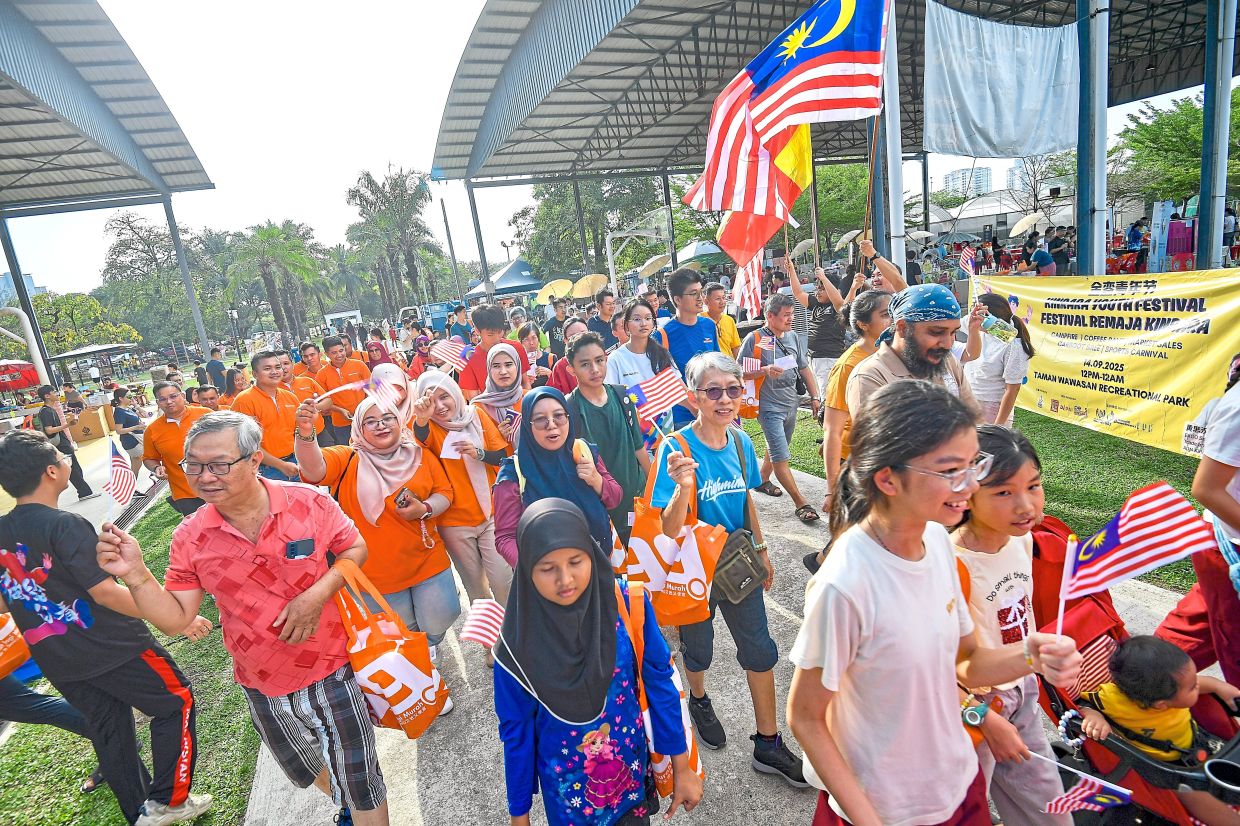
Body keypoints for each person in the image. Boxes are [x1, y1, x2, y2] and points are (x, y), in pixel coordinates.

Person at [786, 380, 1082, 826]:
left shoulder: (936, 543)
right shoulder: (845, 585)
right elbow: (806, 717)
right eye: (949, 471)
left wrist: (1029, 654)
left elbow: (965, 663)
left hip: (956, 787)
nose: (968, 487)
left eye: (972, 466)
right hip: (886, 808)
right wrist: (867, 818)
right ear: (887, 478)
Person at [99, 412, 390, 826]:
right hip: (260, 681)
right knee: (303, 767)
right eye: (193, 465)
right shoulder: (190, 536)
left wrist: (317, 593)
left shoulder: (310, 502)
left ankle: (356, 807)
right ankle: (345, 802)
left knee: (362, 781)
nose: (203, 476)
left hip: (332, 667)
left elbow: (354, 549)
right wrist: (137, 575)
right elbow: (176, 618)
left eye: (219, 464)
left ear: (255, 461)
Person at [0, 430, 212, 826]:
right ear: (51, 471)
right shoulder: (64, 524)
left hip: (58, 659)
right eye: (63, 456)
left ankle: (141, 814)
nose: (68, 461)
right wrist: (172, 616)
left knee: (110, 732)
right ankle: (167, 801)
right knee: (176, 701)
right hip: (116, 647)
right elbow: (107, 594)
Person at [494, 498, 702, 826]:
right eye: (547, 568)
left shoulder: (627, 604)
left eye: (576, 561)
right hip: (567, 799)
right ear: (526, 570)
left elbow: (660, 683)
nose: (565, 579)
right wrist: (519, 814)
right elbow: (515, 732)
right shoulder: (514, 648)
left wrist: (682, 766)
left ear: (591, 553)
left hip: (630, 782)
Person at [648, 352, 804, 781]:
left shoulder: (740, 442)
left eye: (733, 389)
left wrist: (762, 546)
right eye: (712, 391)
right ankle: (698, 697)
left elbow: (745, 500)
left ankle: (768, 743)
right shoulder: (675, 448)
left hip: (738, 567)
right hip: (694, 571)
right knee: (699, 649)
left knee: (759, 650)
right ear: (693, 396)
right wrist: (683, 487)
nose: (724, 399)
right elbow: (667, 526)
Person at [951, 426, 1071, 826]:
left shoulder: (1020, 540)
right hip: (971, 709)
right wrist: (982, 718)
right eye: (1003, 492)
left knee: (1049, 806)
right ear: (966, 491)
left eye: (1034, 486)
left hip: (1023, 691)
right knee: (968, 811)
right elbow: (930, 666)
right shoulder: (949, 564)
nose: (1026, 505)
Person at [295, 398, 461, 678]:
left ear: (399, 421)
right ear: (359, 427)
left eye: (387, 418)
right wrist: (305, 432)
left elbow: (444, 492)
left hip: (426, 557)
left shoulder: (419, 453)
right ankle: (420, 664)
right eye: (370, 421)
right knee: (401, 627)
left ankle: (430, 644)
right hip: (375, 570)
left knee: (443, 614)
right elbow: (314, 470)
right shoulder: (347, 458)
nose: (381, 425)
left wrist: (425, 509)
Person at [1079, 636, 1240, 826]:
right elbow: (1084, 703)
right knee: (1194, 797)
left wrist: (1217, 686)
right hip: (1169, 769)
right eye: (1193, 687)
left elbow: (1199, 683)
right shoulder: (1111, 700)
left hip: (1200, 742)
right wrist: (1092, 716)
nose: (1198, 684)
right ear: (1161, 705)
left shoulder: (1174, 689)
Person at [411, 372, 512, 608]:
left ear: (455, 393)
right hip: (453, 522)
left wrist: (479, 453)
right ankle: (490, 640)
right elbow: (419, 439)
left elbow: (502, 455)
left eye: (444, 396)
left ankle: (512, 634)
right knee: (475, 586)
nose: (440, 406)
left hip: (491, 514)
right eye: (431, 400)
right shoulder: (428, 426)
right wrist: (422, 420)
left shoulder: (475, 415)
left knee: (502, 579)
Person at [493, 387, 622, 567]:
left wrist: (596, 480)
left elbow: (615, 499)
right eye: (539, 419)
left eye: (559, 416)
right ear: (527, 426)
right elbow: (505, 536)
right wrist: (534, 569)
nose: (551, 425)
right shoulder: (513, 472)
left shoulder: (583, 451)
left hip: (601, 562)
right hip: (552, 581)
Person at [740, 294, 823, 524]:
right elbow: (740, 372)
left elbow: (804, 368)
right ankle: (801, 503)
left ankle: (762, 479)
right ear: (770, 316)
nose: (791, 319)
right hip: (768, 407)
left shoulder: (793, 337)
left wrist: (815, 396)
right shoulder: (754, 339)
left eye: (792, 314)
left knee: (779, 446)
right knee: (781, 456)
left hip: (791, 403)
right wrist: (764, 370)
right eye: (786, 315)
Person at [565, 332, 651, 546]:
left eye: (599, 361)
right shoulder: (569, 408)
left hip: (636, 501)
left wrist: (653, 488)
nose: (595, 369)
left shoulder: (622, 395)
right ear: (571, 369)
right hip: (600, 508)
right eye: (585, 364)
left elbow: (639, 448)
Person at [846, 283, 980, 419]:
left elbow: (975, 421)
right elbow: (882, 439)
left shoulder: (947, 360)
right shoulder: (870, 377)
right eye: (937, 332)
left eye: (953, 332)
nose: (947, 344)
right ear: (903, 328)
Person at [818, 289, 893, 527]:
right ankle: (823, 561)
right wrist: (832, 489)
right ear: (863, 323)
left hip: (886, 456)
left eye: (893, 312)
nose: (893, 319)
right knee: (858, 532)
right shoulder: (848, 365)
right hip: (855, 462)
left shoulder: (893, 352)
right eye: (885, 315)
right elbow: (832, 430)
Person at [787, 261, 850, 415]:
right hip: (814, 358)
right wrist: (791, 271)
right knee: (823, 396)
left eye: (822, 288)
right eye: (817, 288)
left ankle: (830, 431)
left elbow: (840, 302)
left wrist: (823, 277)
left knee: (827, 397)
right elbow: (798, 292)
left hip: (828, 358)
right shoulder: (816, 305)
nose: (818, 292)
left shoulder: (837, 308)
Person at [228, 351, 301, 482]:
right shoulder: (244, 401)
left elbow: (298, 433)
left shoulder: (290, 397)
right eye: (267, 368)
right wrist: (281, 465)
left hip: (296, 462)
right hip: (265, 469)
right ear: (254, 374)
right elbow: (248, 445)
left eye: (277, 367)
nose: (274, 372)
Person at [964, 293, 1035, 426]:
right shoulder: (977, 329)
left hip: (991, 409)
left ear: (989, 317)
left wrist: (997, 427)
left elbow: (1012, 389)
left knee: (987, 446)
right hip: (968, 402)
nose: (971, 317)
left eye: (977, 313)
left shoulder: (1014, 345)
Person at [143, 382, 210, 516]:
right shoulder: (152, 430)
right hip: (184, 493)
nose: (169, 401)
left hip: (218, 482)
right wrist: (156, 468)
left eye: (173, 396)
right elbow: (149, 458)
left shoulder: (206, 415)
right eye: (162, 399)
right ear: (157, 402)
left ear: (183, 395)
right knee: (200, 533)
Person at [662, 269, 718, 428]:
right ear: (677, 300)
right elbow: (667, 379)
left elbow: (716, 364)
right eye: (693, 293)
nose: (700, 298)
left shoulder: (709, 325)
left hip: (713, 408)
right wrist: (694, 407)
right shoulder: (664, 334)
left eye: (701, 292)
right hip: (683, 416)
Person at [35, 385, 96, 502]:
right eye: (54, 392)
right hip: (61, 445)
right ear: (47, 396)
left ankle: (84, 492)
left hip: (62, 443)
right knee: (73, 469)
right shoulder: (47, 411)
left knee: (74, 468)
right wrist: (68, 425)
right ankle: (84, 492)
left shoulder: (49, 410)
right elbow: (49, 430)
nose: (57, 393)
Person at [460, 304, 532, 402]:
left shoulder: (516, 347)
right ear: (477, 331)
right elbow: (473, 397)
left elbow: (525, 383)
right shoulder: (467, 356)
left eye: (500, 332)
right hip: (488, 410)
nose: (497, 338)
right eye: (490, 334)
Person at [316, 335, 372, 446]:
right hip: (340, 424)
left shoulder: (359, 365)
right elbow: (323, 400)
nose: (339, 355)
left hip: (365, 419)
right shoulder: (322, 374)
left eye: (341, 350)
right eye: (334, 353)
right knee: (349, 453)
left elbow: (372, 389)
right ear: (326, 354)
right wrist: (340, 410)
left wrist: (363, 407)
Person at [471, 343, 526, 449]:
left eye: (509, 364)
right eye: (496, 366)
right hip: (498, 465)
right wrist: (497, 437)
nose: (503, 371)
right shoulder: (478, 407)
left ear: (518, 366)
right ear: (488, 370)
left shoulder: (529, 398)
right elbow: (476, 449)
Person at [278, 352, 327, 446]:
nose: (283, 368)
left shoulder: (307, 380)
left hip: (320, 434)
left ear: (292, 364)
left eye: (286, 363)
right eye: (278, 366)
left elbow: (328, 400)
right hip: (294, 440)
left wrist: (313, 408)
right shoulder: (273, 390)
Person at [111, 388, 147, 482]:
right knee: (137, 463)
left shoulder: (129, 408)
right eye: (129, 396)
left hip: (137, 439)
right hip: (131, 441)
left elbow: (146, 415)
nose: (132, 398)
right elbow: (119, 430)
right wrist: (135, 427)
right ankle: (131, 486)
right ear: (121, 398)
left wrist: (136, 405)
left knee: (136, 464)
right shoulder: (119, 412)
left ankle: (131, 486)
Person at [547, 316, 590, 394]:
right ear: (565, 341)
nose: (579, 339)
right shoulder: (560, 366)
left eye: (583, 333)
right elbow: (554, 397)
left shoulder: (603, 358)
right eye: (573, 336)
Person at [702, 281, 741, 358]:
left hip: (728, 365)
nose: (722, 302)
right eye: (718, 299)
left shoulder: (729, 320)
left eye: (723, 298)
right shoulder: (700, 321)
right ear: (706, 302)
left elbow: (736, 347)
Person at [515, 322, 554, 388]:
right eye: (526, 339)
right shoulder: (518, 362)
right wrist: (525, 383)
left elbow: (560, 384)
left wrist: (550, 374)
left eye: (534, 337)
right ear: (521, 342)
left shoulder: (551, 358)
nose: (531, 343)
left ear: (538, 338)